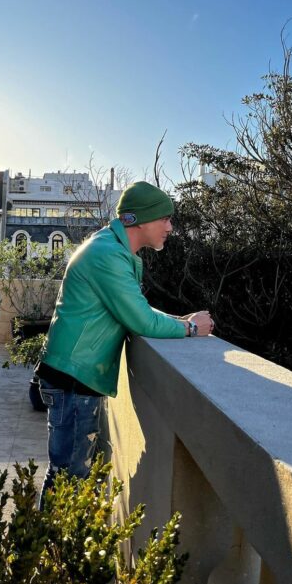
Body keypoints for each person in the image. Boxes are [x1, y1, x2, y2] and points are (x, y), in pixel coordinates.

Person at [37, 181, 214, 507]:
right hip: (73, 382)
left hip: (74, 378)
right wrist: (189, 328)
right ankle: (42, 553)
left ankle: (46, 550)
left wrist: (178, 319)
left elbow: (134, 307)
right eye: (164, 219)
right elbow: (141, 321)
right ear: (141, 220)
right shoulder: (107, 255)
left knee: (69, 476)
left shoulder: (111, 249)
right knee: (67, 479)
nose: (170, 227)